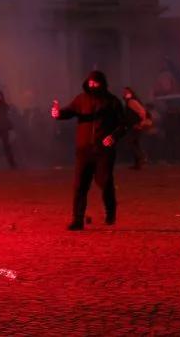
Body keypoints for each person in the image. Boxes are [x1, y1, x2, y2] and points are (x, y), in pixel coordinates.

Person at [52, 71, 131, 230]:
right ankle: (77, 220)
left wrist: (113, 136)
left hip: (103, 151)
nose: (92, 85)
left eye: (95, 82)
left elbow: (124, 125)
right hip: (84, 151)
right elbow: (69, 111)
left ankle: (110, 212)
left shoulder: (112, 101)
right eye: (90, 82)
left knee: (105, 182)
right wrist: (58, 113)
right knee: (80, 185)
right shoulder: (81, 99)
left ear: (102, 83)